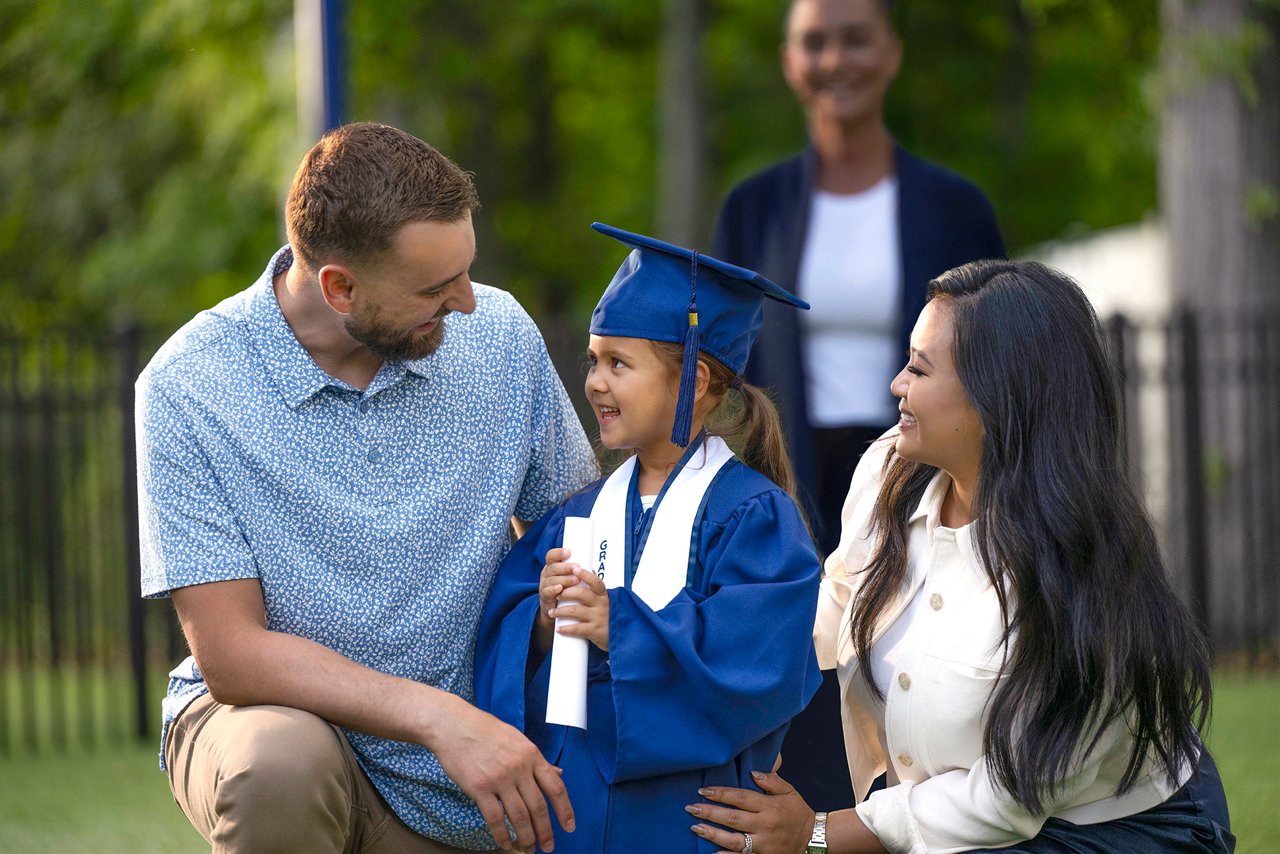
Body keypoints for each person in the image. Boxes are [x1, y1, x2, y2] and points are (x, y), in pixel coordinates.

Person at [136, 122, 599, 854]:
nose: (468, 304)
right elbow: (231, 652)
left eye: (467, 272)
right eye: (435, 288)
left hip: (475, 761)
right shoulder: (188, 384)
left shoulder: (502, 337)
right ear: (340, 287)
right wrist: (439, 717)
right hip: (292, 733)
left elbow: (581, 537)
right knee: (279, 764)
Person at [685, 260, 1234, 853]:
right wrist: (696, 645)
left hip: (1113, 831)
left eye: (920, 369)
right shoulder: (891, 474)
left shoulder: (1085, 575)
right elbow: (836, 603)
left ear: (997, 396)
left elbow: (1004, 800)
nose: (897, 383)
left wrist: (814, 835)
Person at [712, 0, 1006, 806]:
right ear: (787, 60)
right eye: (815, 41)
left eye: (855, 38)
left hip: (916, 460)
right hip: (791, 466)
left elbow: (997, 350)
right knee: (803, 641)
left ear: (892, 53)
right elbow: (722, 361)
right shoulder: (753, 206)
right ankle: (811, 817)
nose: (835, 59)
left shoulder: (955, 206)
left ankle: (913, 806)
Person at [474, 223, 824, 852]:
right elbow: (500, 643)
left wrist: (621, 627)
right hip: (571, 817)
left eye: (618, 363)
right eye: (593, 360)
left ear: (694, 381)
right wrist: (542, 621)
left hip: (688, 821)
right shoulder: (574, 519)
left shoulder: (754, 518)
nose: (594, 383)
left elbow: (760, 667)